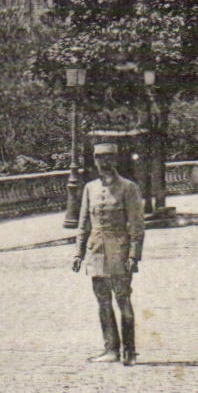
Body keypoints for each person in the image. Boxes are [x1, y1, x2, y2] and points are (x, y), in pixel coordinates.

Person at [72, 141, 145, 366]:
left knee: (123, 298)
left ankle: (129, 351)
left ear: (115, 160)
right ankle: (111, 348)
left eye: (108, 158)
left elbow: (136, 225)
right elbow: (83, 223)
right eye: (99, 159)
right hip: (96, 251)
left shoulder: (128, 188)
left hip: (120, 252)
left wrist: (133, 255)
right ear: (95, 161)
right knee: (103, 301)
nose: (104, 163)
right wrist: (78, 253)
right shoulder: (90, 188)